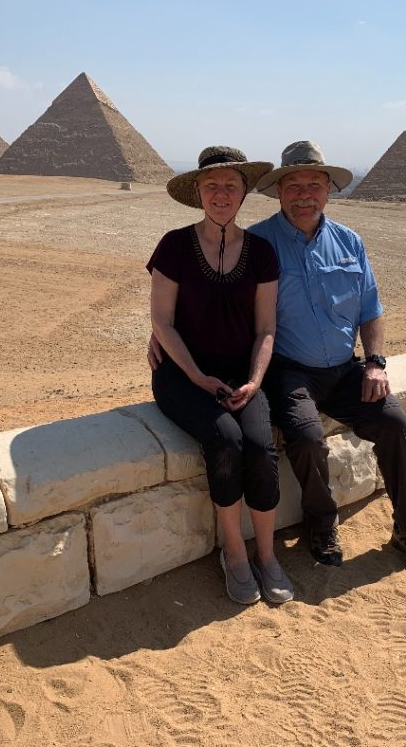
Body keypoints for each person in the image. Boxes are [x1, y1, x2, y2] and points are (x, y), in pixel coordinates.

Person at [248, 140, 406, 575]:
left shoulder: (349, 242)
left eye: (313, 184)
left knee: (394, 423)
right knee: (306, 436)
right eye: (293, 184)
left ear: (328, 190)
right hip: (289, 370)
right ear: (279, 192)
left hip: (344, 368)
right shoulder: (258, 243)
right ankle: (322, 524)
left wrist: (375, 362)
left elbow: (370, 309)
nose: (304, 193)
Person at [148, 146, 294, 604]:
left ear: (245, 191)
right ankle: (234, 552)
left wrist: (254, 380)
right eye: (211, 185)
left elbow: (266, 328)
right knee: (225, 441)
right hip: (182, 376)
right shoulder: (173, 246)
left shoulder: (262, 253)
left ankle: (267, 556)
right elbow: (162, 323)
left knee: (259, 444)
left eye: (231, 184)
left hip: (241, 375)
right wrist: (194, 375)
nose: (221, 193)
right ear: (198, 192)